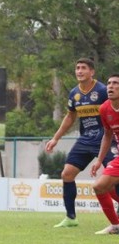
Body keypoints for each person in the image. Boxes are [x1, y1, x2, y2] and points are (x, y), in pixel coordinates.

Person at [45, 58, 117, 228]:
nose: (79, 71)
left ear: (92, 72)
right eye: (77, 68)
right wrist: (56, 138)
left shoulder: (102, 90)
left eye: (83, 68)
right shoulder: (74, 93)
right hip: (85, 139)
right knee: (67, 174)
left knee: (113, 178)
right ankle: (71, 217)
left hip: (104, 138)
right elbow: (70, 116)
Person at [90, 73, 119, 234]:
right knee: (100, 186)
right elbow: (107, 135)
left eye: (115, 83)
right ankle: (116, 225)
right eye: (109, 83)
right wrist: (99, 160)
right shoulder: (104, 108)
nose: (111, 86)